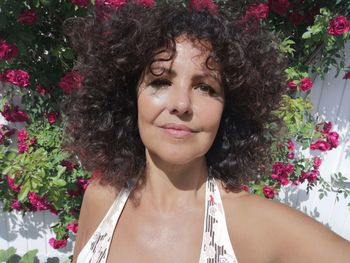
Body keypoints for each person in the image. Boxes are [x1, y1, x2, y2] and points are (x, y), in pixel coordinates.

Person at [62, 1, 350, 262]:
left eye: (205, 87)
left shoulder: (255, 225)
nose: (182, 104)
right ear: (130, 96)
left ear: (230, 109)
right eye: (161, 81)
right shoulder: (100, 198)